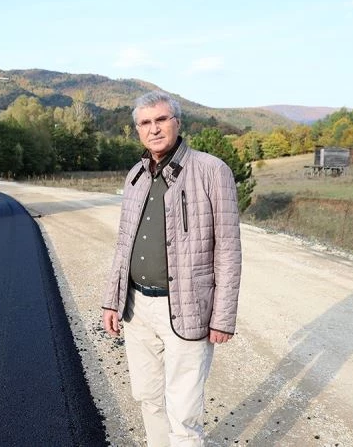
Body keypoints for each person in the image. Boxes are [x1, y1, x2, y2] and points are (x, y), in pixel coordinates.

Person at [102, 90, 242, 447]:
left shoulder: (211, 171)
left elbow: (228, 248)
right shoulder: (135, 175)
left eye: (162, 119)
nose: (154, 129)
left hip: (186, 307)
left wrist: (223, 317)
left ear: (177, 123)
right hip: (136, 309)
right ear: (137, 130)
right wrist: (111, 300)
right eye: (145, 123)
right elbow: (123, 243)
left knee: (184, 413)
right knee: (148, 398)